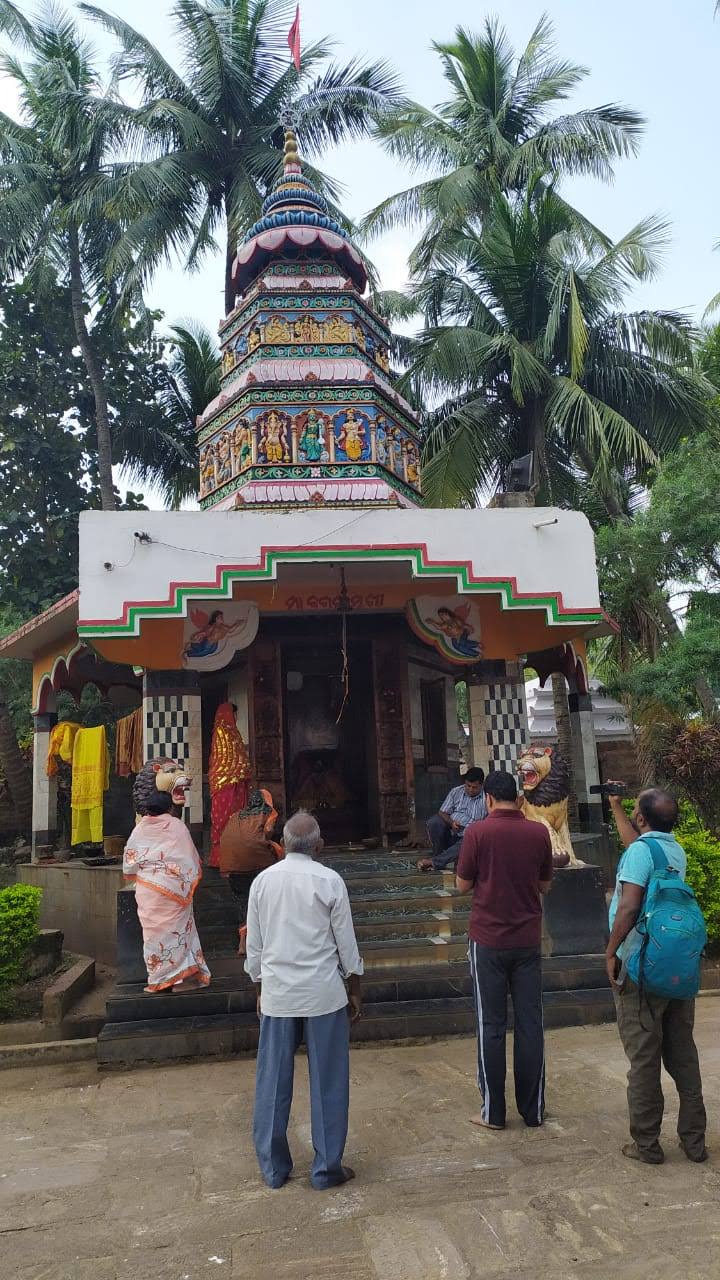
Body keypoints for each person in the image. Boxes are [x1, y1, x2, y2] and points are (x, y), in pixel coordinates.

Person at [245, 811, 363, 1191]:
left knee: (272, 1083)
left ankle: (273, 1168)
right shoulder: (329, 881)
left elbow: (255, 946)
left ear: (282, 843)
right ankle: (326, 1168)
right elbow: (346, 943)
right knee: (329, 1081)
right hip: (323, 993)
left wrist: (259, 988)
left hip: (279, 993)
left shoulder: (263, 882)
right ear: (319, 845)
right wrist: (355, 987)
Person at [606, 786, 707, 1165]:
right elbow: (637, 846)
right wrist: (617, 807)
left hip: (641, 967)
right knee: (683, 1054)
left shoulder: (639, 853)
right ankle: (694, 1142)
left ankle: (646, 1144)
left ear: (642, 818)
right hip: (677, 967)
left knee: (644, 1059)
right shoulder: (672, 849)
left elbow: (629, 905)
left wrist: (611, 951)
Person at [456, 770, 552, 1130]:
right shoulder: (538, 832)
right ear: (519, 798)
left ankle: (493, 1112)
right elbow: (545, 884)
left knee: (491, 1024)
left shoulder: (477, 832)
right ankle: (533, 1110)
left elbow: (462, 884)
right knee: (530, 1023)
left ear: (488, 799)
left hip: (488, 940)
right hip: (527, 939)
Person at [218, 788, 283, 954]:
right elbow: (268, 831)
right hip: (258, 863)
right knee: (265, 898)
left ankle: (243, 943)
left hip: (232, 864)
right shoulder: (268, 813)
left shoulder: (236, 815)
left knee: (243, 902)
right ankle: (268, 941)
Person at [207, 702, 252, 868]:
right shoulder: (224, 731)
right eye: (234, 714)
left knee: (235, 817)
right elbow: (229, 761)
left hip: (233, 783)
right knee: (226, 818)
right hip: (227, 784)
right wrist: (243, 771)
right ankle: (222, 857)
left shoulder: (231, 731)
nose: (236, 717)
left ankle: (232, 855)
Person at [417, 767, 486, 872]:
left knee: (469, 839)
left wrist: (473, 829)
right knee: (434, 822)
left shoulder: (487, 798)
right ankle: (438, 855)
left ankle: (435, 862)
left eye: (474, 787)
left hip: (470, 838)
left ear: (481, 785)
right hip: (452, 833)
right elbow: (442, 812)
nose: (470, 789)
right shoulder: (456, 791)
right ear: (465, 782)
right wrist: (452, 822)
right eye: (468, 786)